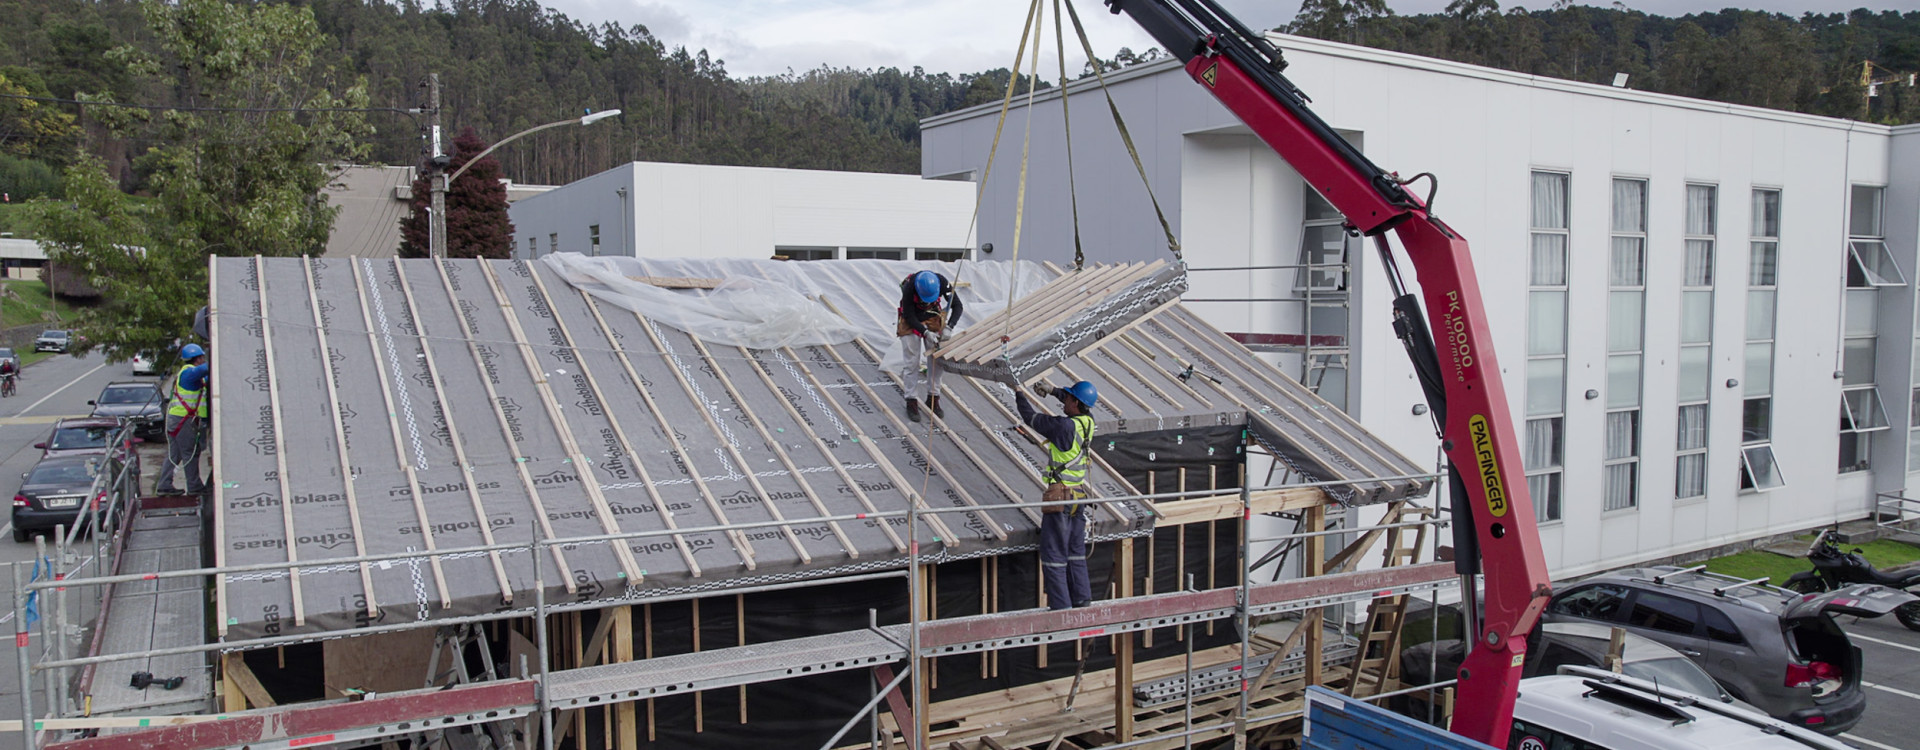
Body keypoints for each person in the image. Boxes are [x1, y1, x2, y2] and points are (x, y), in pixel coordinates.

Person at [1015, 380, 1099, 610]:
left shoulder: (1063, 427)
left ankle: (1061, 607)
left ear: (1076, 402)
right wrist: (1053, 392)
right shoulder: (1087, 422)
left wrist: (1018, 392)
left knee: (1053, 553)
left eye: (1068, 398)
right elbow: (1072, 401)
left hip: (1060, 497)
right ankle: (1082, 599)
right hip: (1078, 496)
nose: (1065, 401)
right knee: (1075, 552)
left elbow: (1030, 417)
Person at [896, 270, 962, 422]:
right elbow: (909, 316)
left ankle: (933, 397)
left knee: (936, 358)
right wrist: (925, 333)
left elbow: (958, 306)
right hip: (910, 320)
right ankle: (911, 400)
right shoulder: (909, 286)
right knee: (912, 361)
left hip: (932, 317)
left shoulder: (942, 283)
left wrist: (949, 327)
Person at [156, 343, 210, 496]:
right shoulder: (189, 373)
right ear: (198, 359)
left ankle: (164, 485)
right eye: (202, 357)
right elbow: (206, 369)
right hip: (183, 420)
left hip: (177, 419)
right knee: (190, 453)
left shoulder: (190, 374)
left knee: (175, 454)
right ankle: (194, 486)